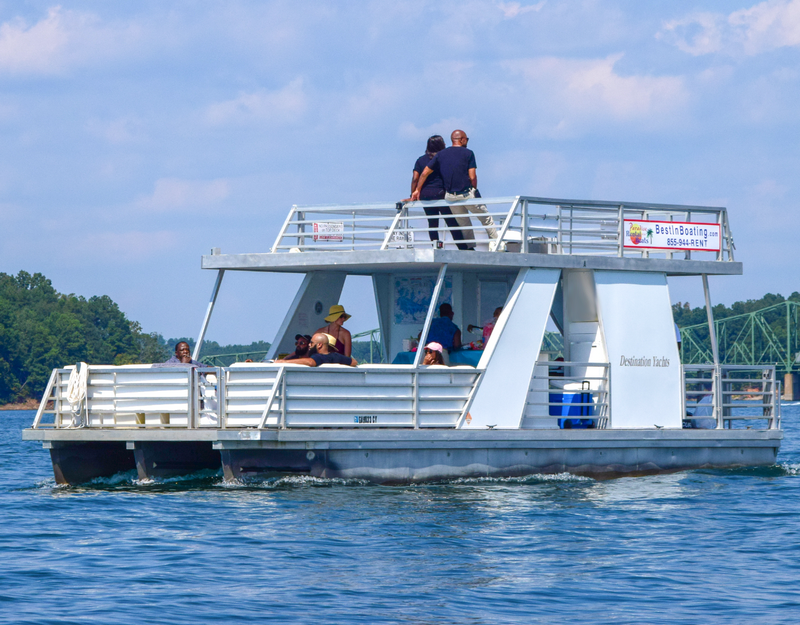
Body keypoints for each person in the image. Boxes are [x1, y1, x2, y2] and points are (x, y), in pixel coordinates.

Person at [411, 129, 498, 249]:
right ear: (461, 139)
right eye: (466, 139)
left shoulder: (438, 156)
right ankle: (495, 245)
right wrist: (473, 189)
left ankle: (466, 247)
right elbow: (472, 176)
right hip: (459, 193)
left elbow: (423, 174)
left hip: (447, 196)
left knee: (460, 222)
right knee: (485, 219)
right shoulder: (468, 153)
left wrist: (416, 191)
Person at [409, 135, 469, 250]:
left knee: (432, 223)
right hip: (441, 193)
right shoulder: (443, 159)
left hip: (425, 195)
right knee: (451, 222)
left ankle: (435, 247)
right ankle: (462, 247)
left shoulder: (420, 160)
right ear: (441, 145)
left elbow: (415, 178)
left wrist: (413, 193)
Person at [285, 333, 358, 367]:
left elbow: (310, 362)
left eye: (311, 343)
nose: (309, 345)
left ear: (320, 345)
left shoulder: (318, 357)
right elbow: (354, 362)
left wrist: (283, 361)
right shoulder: (336, 357)